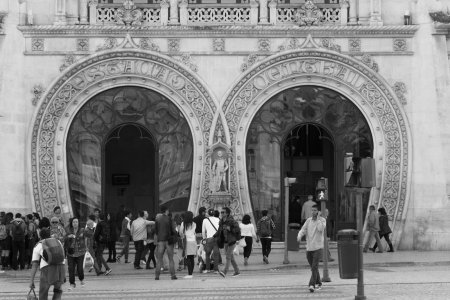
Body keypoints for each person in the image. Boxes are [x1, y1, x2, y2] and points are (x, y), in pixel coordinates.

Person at [29, 218, 65, 300]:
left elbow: (34, 265)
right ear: (49, 235)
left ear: (40, 236)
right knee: (58, 290)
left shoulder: (38, 245)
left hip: (47, 269)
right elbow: (63, 255)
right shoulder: (57, 241)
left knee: (43, 292)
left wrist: (31, 281)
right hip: (61, 267)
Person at [297, 204, 326, 293]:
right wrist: (299, 236)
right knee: (314, 268)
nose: (313, 212)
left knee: (314, 267)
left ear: (318, 212)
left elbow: (320, 229)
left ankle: (311, 285)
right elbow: (303, 229)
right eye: (312, 210)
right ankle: (319, 283)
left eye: (315, 210)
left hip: (318, 248)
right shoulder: (308, 221)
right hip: (309, 248)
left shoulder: (322, 220)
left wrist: (318, 218)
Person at [154, 206, 177, 280]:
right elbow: (173, 230)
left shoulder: (158, 219)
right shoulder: (170, 219)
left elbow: (156, 230)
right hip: (169, 241)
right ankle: (173, 275)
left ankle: (157, 276)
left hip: (160, 240)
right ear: (167, 211)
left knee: (159, 259)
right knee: (171, 259)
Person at [217, 207, 240, 277]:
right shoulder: (221, 222)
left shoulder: (232, 221)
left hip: (232, 241)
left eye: (223, 212)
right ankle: (237, 271)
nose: (221, 213)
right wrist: (214, 236)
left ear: (227, 213)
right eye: (221, 212)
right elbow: (219, 231)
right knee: (231, 258)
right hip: (225, 241)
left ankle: (225, 271)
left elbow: (237, 229)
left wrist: (230, 229)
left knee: (228, 256)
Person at [65, 217, 86, 290]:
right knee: (71, 268)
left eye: (76, 222)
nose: (75, 223)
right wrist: (68, 237)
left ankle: (81, 278)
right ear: (71, 223)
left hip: (80, 252)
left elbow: (88, 237)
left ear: (78, 223)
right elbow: (64, 238)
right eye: (73, 222)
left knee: (80, 268)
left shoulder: (82, 230)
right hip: (70, 253)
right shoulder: (68, 230)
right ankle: (72, 283)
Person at [201, 208, 220, 273]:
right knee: (216, 254)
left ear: (208, 213)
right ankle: (216, 269)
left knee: (207, 254)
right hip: (216, 238)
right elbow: (220, 230)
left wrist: (204, 239)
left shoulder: (205, 220)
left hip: (208, 239)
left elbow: (203, 231)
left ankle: (208, 269)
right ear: (214, 213)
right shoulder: (218, 219)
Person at [179, 211, 197, 279]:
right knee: (192, 258)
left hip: (187, 242)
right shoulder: (194, 223)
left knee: (188, 258)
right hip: (193, 241)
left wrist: (182, 235)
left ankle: (189, 274)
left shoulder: (183, 223)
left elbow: (180, 232)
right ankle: (191, 273)